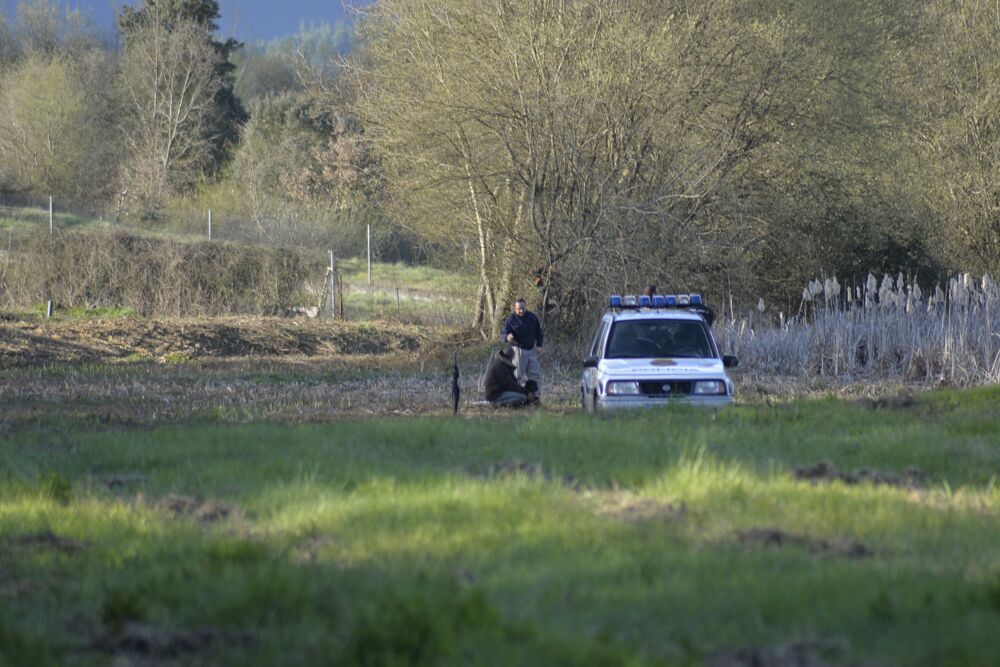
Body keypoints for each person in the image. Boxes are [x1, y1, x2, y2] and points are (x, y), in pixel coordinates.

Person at [500, 298, 544, 394]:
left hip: (531, 351)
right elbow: (503, 334)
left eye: (523, 308)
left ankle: (536, 398)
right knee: (516, 376)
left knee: (535, 375)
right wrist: (507, 337)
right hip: (518, 351)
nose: (521, 311)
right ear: (515, 309)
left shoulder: (532, 317)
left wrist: (539, 345)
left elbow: (539, 333)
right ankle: (514, 398)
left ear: (525, 306)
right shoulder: (510, 319)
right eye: (519, 309)